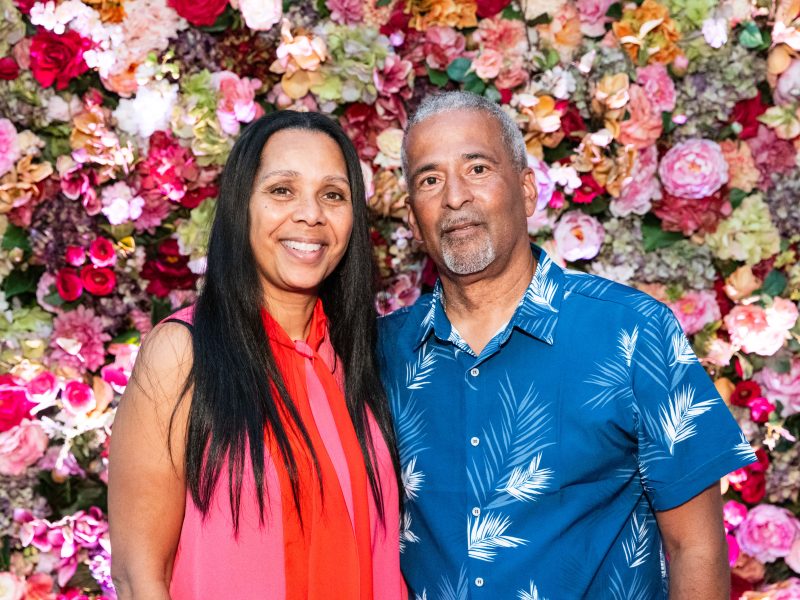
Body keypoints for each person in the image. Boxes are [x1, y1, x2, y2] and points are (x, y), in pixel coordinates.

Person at [378, 91, 757, 599]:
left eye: (477, 169)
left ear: (528, 191)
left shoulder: (632, 333)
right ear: (410, 215)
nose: (454, 197)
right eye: (430, 179)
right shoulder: (383, 352)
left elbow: (697, 550)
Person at [109, 111, 404, 600]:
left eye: (333, 195)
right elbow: (139, 573)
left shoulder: (362, 360)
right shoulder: (183, 353)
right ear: (241, 206)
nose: (311, 214)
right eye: (282, 190)